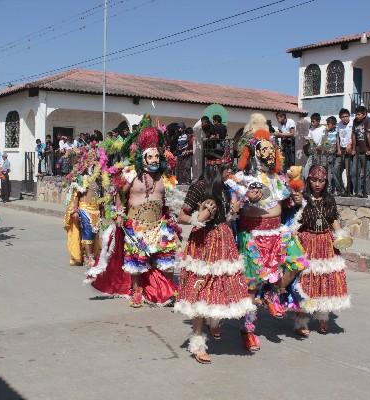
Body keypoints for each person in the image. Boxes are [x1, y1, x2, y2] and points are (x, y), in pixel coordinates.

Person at [175, 142, 254, 364]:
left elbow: (223, 218)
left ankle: (215, 322)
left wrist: (232, 213)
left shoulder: (225, 188)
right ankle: (198, 341)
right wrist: (199, 218)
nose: (230, 172)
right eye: (227, 168)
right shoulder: (199, 187)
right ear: (217, 169)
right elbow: (182, 217)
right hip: (203, 244)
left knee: (220, 286)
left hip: (223, 241)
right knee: (201, 290)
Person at [234, 121, 306, 352]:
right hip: (253, 235)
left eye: (270, 149)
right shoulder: (242, 178)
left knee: (298, 261)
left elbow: (288, 203)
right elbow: (233, 205)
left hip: (278, 233)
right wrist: (245, 199)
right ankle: (248, 330)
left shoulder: (279, 179)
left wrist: (295, 201)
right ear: (253, 153)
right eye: (262, 149)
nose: (268, 153)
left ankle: (274, 293)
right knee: (252, 286)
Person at [115, 123, 180, 307]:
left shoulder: (164, 177)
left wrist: (172, 221)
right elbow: (119, 193)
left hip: (159, 225)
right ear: (142, 157)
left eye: (156, 156)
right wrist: (119, 213)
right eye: (150, 156)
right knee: (136, 260)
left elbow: (170, 201)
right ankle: (137, 291)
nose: (153, 160)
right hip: (136, 224)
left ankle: (167, 290)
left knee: (166, 259)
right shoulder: (131, 174)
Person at [294, 165, 350, 336]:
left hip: (326, 242)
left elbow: (333, 219)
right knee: (306, 281)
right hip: (307, 241)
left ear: (326, 181)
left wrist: (340, 235)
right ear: (308, 180)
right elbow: (295, 221)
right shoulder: (301, 198)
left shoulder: (329, 200)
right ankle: (301, 321)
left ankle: (323, 317)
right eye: (314, 180)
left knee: (326, 281)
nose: (317, 184)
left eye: (321, 181)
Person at [63, 148, 102, 267]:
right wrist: (75, 210)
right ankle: (90, 257)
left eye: (96, 158)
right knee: (88, 232)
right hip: (84, 208)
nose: (94, 161)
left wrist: (103, 208)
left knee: (95, 233)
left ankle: (87, 254)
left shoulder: (99, 178)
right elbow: (76, 194)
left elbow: (101, 195)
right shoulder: (82, 177)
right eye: (91, 158)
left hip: (96, 209)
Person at [350, 106, 370, 198]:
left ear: (364, 114)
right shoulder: (355, 121)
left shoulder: (368, 121)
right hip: (357, 150)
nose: (357, 116)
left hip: (366, 150)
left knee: (367, 172)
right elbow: (353, 135)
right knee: (354, 172)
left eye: (359, 114)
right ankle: (358, 191)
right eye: (356, 114)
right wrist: (353, 148)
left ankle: (366, 192)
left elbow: (369, 135)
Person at [335, 108, 353, 196]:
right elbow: (337, 138)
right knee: (336, 170)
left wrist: (351, 145)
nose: (345, 118)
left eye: (346, 116)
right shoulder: (338, 125)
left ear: (349, 116)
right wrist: (338, 149)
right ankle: (341, 189)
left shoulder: (352, 124)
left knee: (348, 172)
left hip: (349, 150)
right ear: (340, 118)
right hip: (341, 150)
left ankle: (348, 190)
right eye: (342, 117)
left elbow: (354, 136)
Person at [303, 113, 326, 179]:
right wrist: (307, 141)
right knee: (307, 168)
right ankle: (307, 183)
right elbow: (311, 140)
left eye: (313, 121)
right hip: (313, 153)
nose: (312, 123)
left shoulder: (324, 128)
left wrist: (321, 147)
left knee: (321, 169)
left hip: (322, 153)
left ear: (318, 121)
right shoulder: (311, 130)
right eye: (311, 121)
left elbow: (325, 139)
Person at [324, 116, 339, 194]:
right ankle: (329, 188)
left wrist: (337, 150)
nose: (327, 125)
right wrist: (327, 149)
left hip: (333, 154)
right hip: (327, 153)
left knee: (332, 172)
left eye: (328, 124)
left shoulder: (336, 132)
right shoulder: (326, 132)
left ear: (333, 125)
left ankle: (332, 188)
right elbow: (325, 141)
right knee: (328, 172)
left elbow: (337, 142)